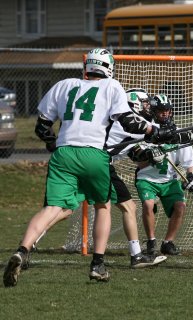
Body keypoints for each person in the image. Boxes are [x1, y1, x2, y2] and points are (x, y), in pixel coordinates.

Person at [3, 48, 178, 287]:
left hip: (63, 153)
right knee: (103, 206)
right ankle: (98, 264)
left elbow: (42, 128)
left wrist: (55, 145)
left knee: (53, 207)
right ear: (108, 67)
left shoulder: (63, 85)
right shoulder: (111, 86)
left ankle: (22, 251)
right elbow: (128, 121)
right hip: (95, 153)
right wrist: (154, 131)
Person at [22, 88, 167, 271]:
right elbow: (150, 138)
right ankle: (134, 255)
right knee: (125, 207)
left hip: (80, 160)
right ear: (135, 103)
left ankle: (28, 243)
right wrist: (185, 137)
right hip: (100, 164)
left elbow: (134, 153)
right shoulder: (131, 123)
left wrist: (150, 154)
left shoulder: (115, 120)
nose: (148, 107)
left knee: (64, 209)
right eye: (145, 103)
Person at [131, 94, 193, 256]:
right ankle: (151, 242)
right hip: (146, 178)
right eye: (160, 110)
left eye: (167, 110)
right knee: (148, 205)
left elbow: (188, 163)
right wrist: (150, 156)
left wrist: (192, 176)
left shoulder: (178, 134)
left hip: (169, 180)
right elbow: (137, 161)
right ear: (154, 111)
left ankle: (168, 242)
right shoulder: (146, 130)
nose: (165, 113)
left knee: (180, 206)